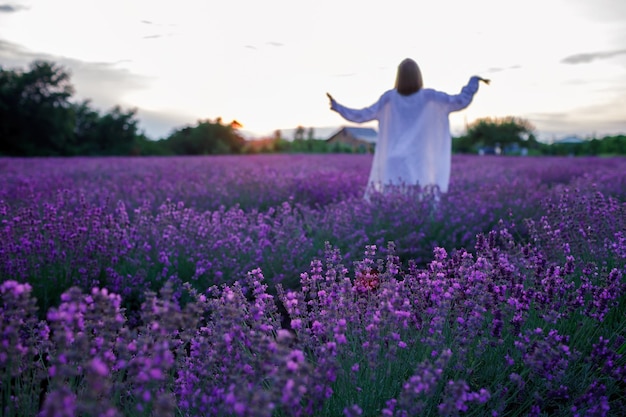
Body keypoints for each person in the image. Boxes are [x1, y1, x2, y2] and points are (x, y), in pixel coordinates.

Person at [327, 58, 489, 197]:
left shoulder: (389, 99)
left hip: (393, 161)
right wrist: (474, 81)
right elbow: (460, 101)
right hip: (418, 162)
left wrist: (338, 107)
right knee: (420, 206)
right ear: (418, 76)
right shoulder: (429, 97)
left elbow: (361, 116)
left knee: (393, 205)